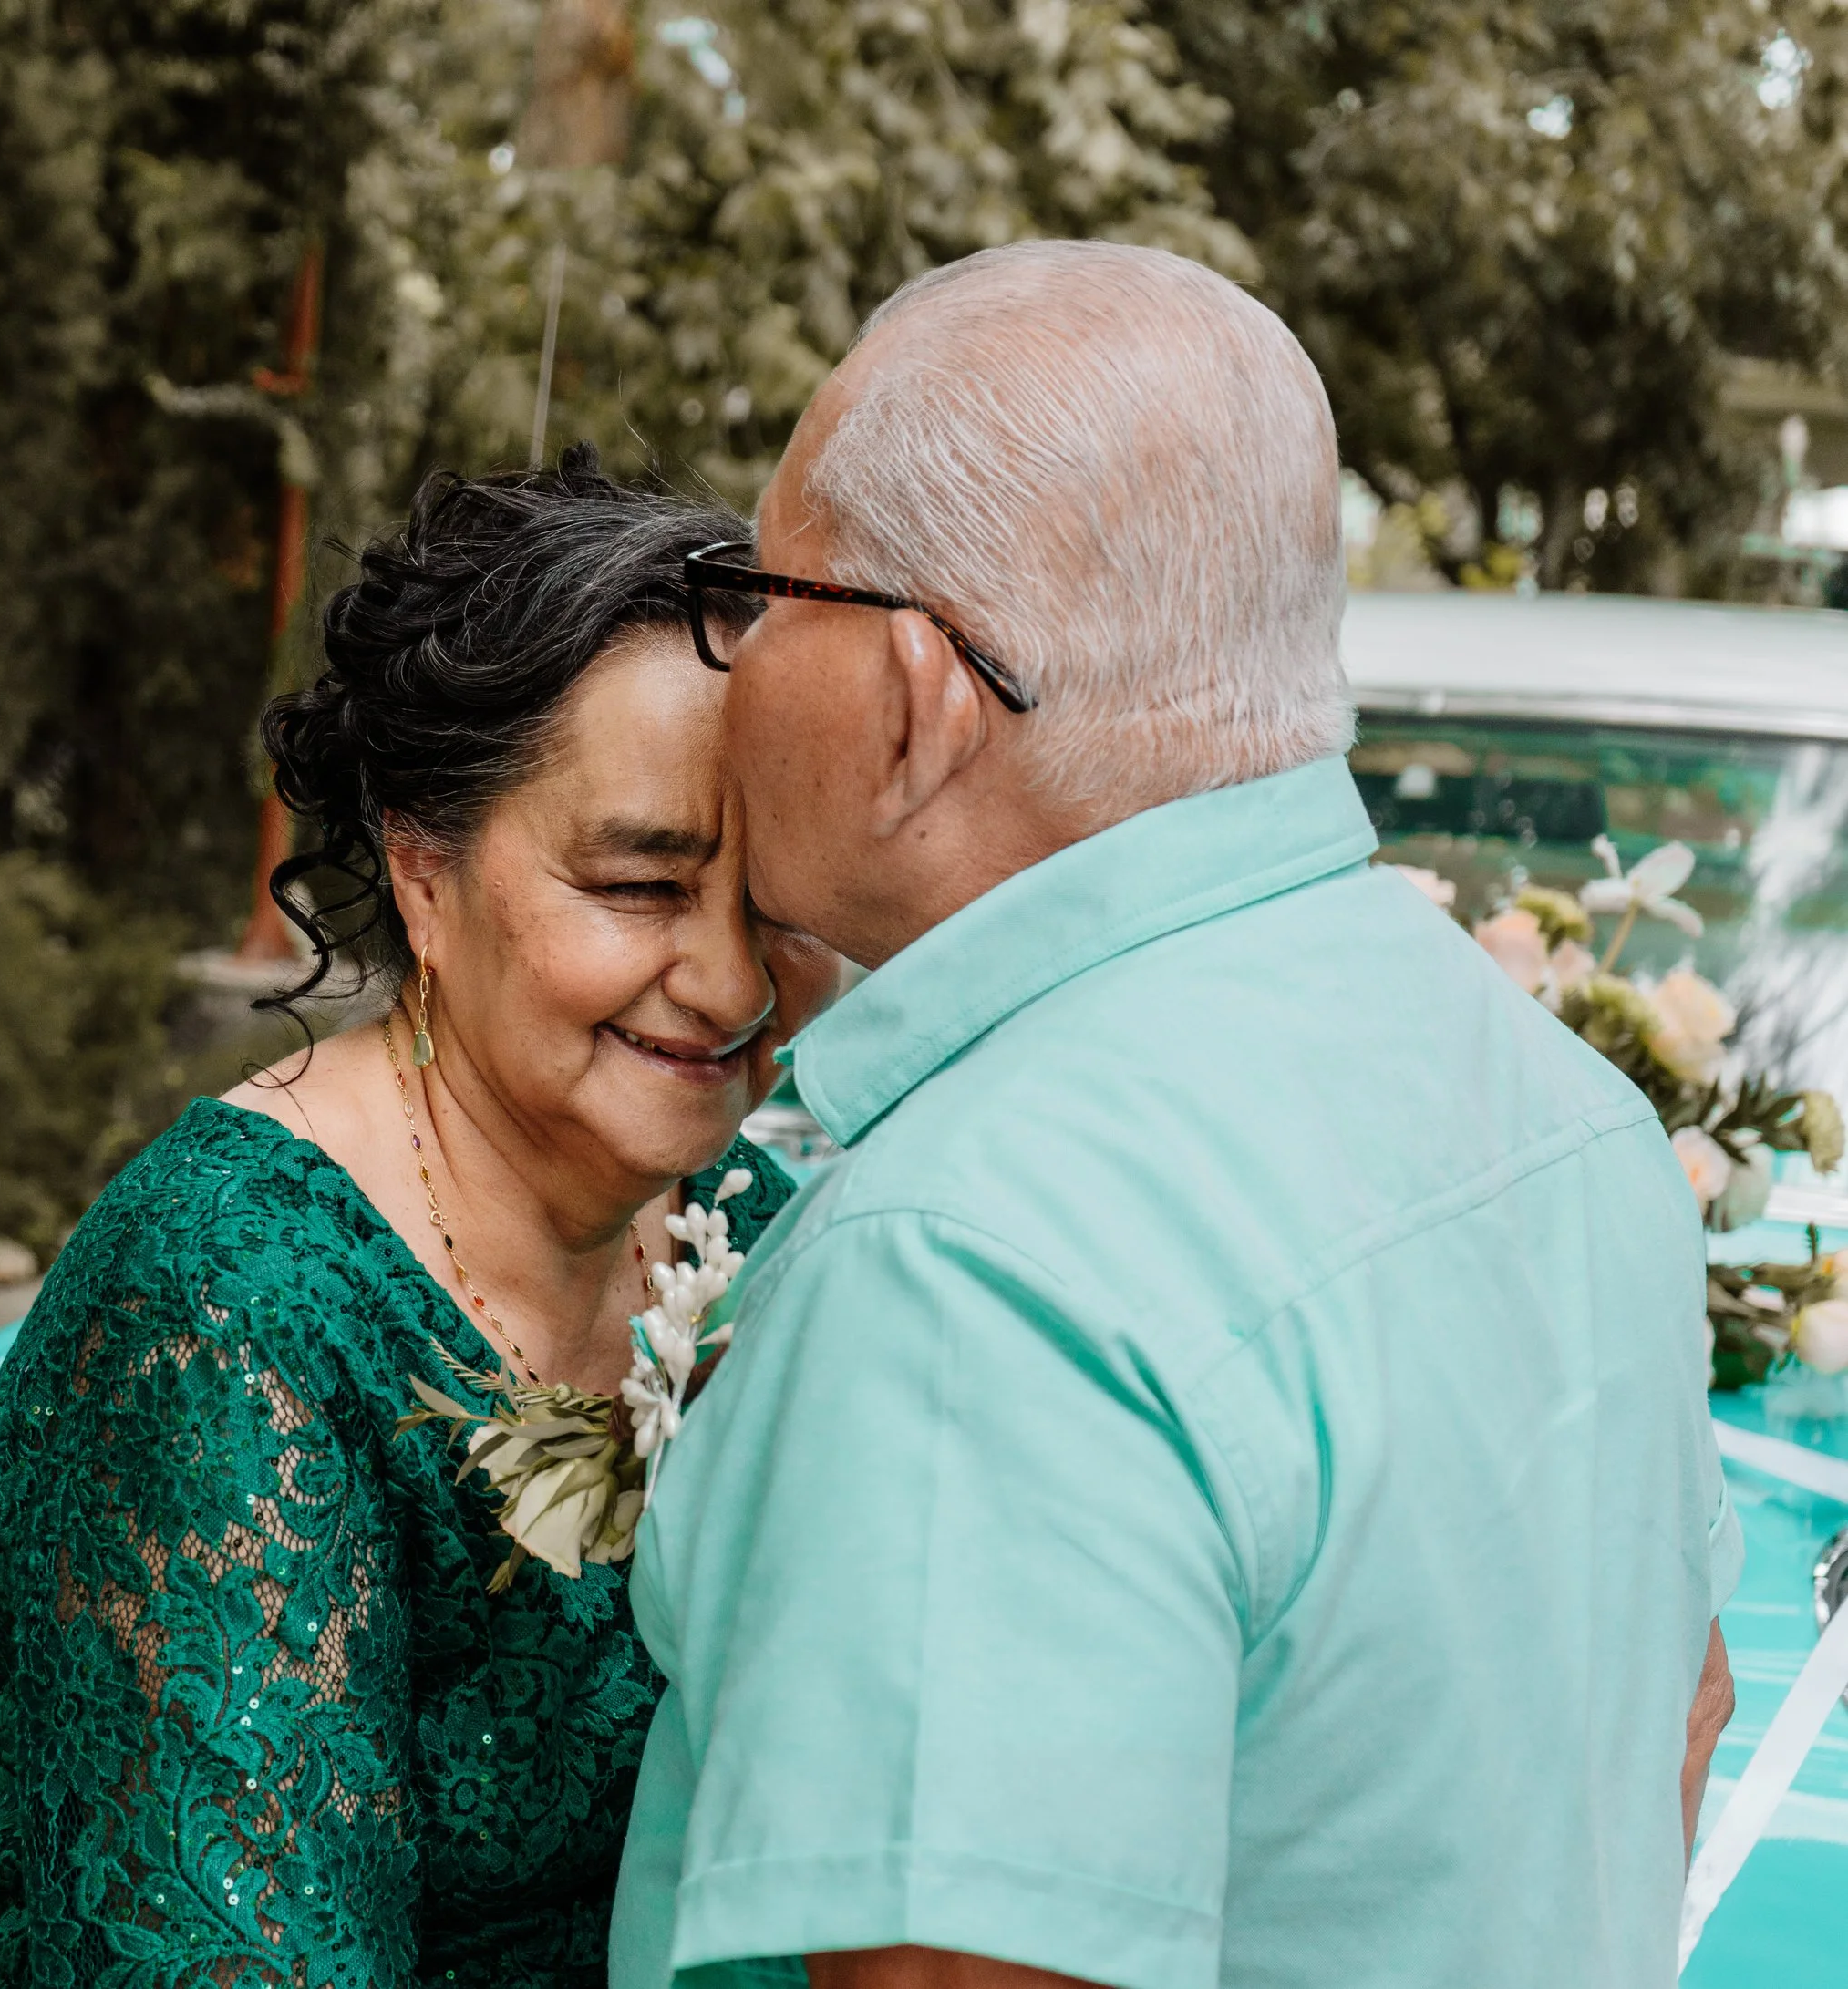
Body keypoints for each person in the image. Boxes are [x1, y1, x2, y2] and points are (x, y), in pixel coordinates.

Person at [609, 242, 1740, 1989]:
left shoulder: (972, 1265)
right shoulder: (1568, 1110)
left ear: (918, 698)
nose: (735, 655)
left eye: (762, 593)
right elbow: (1682, 1716)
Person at [0, 446, 839, 1989]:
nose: (731, 981)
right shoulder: (222, 1305)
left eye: (774, 898)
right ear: (424, 869)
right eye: (641, 886)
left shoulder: (755, 1225)